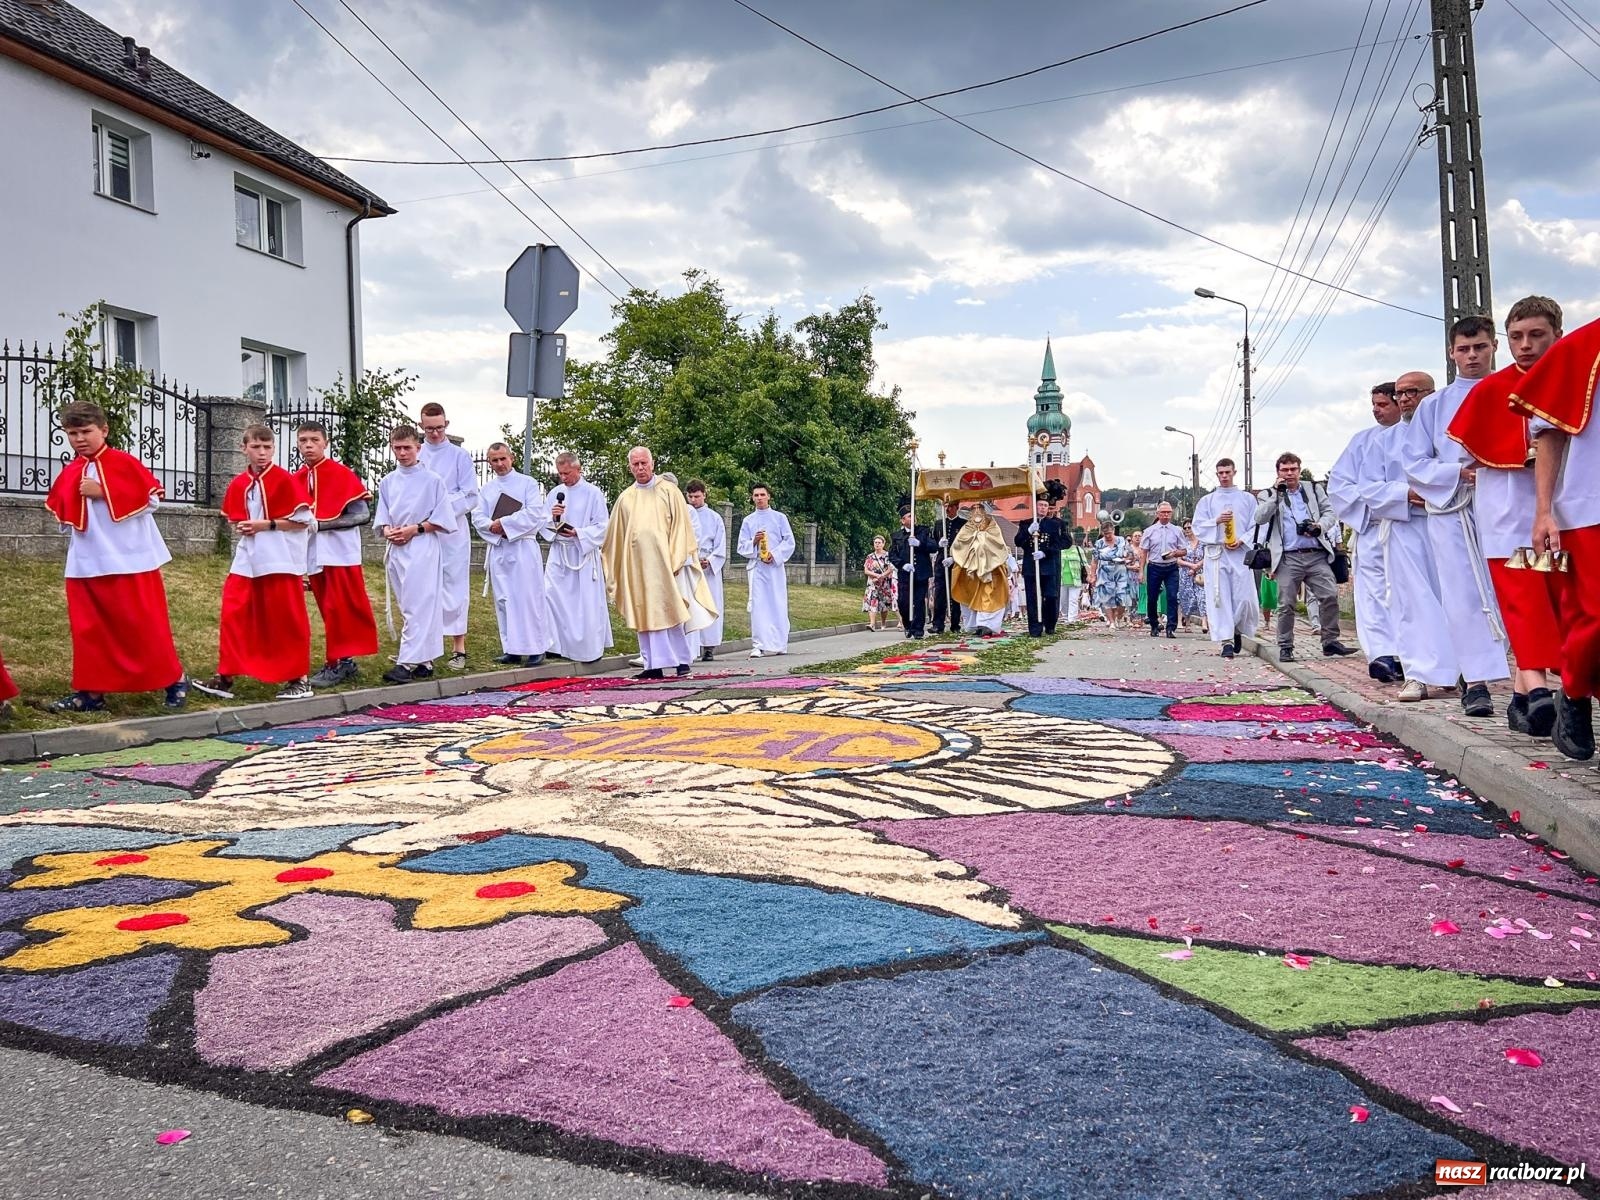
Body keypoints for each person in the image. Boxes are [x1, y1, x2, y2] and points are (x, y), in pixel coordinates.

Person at [1448, 297, 1564, 736]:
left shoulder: (1574, 382)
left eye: (1536, 335)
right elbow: (1468, 453)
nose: (1526, 346)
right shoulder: (1490, 393)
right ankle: (1535, 690)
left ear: (1557, 333)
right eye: (1517, 337)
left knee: (1553, 603)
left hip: (1561, 512)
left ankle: (1521, 698)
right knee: (1521, 601)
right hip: (1505, 513)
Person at [1400, 317, 1511, 716]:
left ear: (1494, 346)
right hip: (1455, 508)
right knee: (1462, 595)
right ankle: (1476, 682)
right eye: (1464, 349)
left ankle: (1529, 679)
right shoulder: (1436, 404)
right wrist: (1455, 474)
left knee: (1512, 588)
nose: (1472, 356)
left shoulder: (1515, 390)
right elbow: (1413, 460)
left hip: (1508, 504)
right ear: (1452, 352)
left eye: (1479, 347)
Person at [45, 401, 187, 712]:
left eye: (86, 431)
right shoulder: (71, 471)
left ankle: (174, 679)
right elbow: (64, 511)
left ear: (104, 430)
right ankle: (91, 694)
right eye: (72, 433)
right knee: (91, 631)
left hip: (130, 558)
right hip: (86, 560)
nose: (80, 438)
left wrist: (104, 491)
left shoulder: (124, 462)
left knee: (143, 625)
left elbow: (151, 501)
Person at [1519, 313, 1600, 759]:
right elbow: (1549, 435)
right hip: (1591, 504)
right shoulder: (1582, 348)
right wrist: (1543, 511)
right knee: (1593, 618)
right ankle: (1573, 693)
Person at [193, 425, 314, 701]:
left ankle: (300, 679)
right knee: (234, 613)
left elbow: (303, 522)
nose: (262, 453)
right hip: (248, 558)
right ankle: (226, 676)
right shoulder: (239, 483)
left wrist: (265, 524)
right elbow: (235, 517)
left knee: (285, 619)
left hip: (281, 559)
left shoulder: (284, 480)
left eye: (267, 447)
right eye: (256, 447)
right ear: (244, 448)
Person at [601, 446, 716, 679]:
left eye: (644, 463)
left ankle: (682, 661)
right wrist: (619, 569)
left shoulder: (669, 491)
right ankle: (652, 664)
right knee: (645, 614)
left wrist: (675, 559)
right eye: (635, 464)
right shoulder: (625, 499)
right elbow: (615, 537)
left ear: (652, 464)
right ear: (630, 467)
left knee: (669, 612)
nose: (640, 468)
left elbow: (681, 527)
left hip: (666, 565)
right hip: (638, 569)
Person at [1327, 383, 1406, 684]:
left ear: (1400, 404)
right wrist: (1376, 503)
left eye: (1383, 404)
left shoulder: (1420, 435)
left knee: (1407, 592)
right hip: (1375, 528)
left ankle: (1410, 653)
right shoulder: (1361, 441)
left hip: (1412, 527)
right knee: (1374, 594)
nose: (1376, 410)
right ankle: (1382, 654)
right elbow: (1340, 485)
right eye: (1373, 404)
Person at [294, 422, 378, 688]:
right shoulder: (297, 478)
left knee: (340, 608)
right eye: (303, 440)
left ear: (325, 443)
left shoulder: (341, 474)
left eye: (314, 440)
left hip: (340, 553)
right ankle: (342, 661)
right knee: (327, 608)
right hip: (315, 553)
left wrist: (323, 524)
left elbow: (362, 514)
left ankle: (340, 663)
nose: (308, 445)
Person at [1250, 452, 1356, 662]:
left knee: (1329, 596)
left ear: (1299, 470)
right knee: (1286, 604)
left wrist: (1319, 527)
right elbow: (1260, 517)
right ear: (1278, 472)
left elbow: (1330, 514)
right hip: (1287, 558)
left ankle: (1330, 641)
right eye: (1285, 470)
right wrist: (1277, 496)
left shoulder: (1314, 489)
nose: (1289, 474)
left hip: (1316, 554)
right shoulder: (1268, 493)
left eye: (1293, 469)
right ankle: (1286, 646)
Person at [373, 425, 456, 684]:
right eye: (397, 448)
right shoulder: (388, 481)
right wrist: (388, 530)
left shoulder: (433, 481)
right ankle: (425, 660)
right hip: (397, 546)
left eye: (407, 447)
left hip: (422, 545)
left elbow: (443, 519)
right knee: (407, 603)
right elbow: (383, 515)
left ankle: (406, 662)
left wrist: (415, 529)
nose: (402, 453)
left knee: (418, 604)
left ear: (418, 448)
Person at [471, 441, 553, 667]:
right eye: (494, 460)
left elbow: (535, 513)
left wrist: (504, 523)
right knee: (505, 599)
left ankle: (536, 648)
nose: (499, 464)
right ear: (489, 463)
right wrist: (492, 527)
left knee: (528, 598)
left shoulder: (528, 483)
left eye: (502, 459)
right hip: (499, 549)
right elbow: (478, 517)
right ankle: (512, 649)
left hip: (523, 548)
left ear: (512, 458)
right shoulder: (487, 489)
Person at [416, 402, 478, 671]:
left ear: (446, 425)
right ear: (421, 427)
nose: (435, 434)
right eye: (429, 429)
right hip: (423, 530)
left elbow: (471, 495)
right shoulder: (417, 456)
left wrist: (441, 510)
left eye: (439, 428)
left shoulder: (459, 456)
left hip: (451, 530)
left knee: (454, 586)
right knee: (425, 588)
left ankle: (458, 646)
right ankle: (425, 648)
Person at [542, 451, 613, 663]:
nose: (563, 478)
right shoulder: (555, 493)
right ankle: (554, 645)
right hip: (559, 553)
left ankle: (585, 648)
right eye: (560, 474)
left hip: (581, 552)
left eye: (567, 473)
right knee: (550, 595)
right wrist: (553, 520)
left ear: (578, 469)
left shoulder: (593, 493)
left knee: (584, 602)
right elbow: (542, 521)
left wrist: (579, 533)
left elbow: (603, 525)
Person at [1191, 458, 1258, 659]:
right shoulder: (1207, 501)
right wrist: (1216, 521)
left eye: (1227, 472)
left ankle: (1237, 629)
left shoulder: (1247, 499)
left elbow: (1257, 526)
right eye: (1220, 473)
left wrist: (1242, 540)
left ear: (1234, 472)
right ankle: (1226, 640)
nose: (1224, 476)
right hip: (1217, 554)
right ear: (1217, 474)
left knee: (1243, 597)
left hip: (1240, 554)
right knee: (1220, 597)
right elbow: (1198, 527)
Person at [737, 483, 794, 657]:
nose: (759, 498)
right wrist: (754, 542)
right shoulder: (748, 521)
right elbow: (741, 546)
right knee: (759, 606)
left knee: (777, 603)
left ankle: (779, 643)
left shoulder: (779, 518)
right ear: (752, 498)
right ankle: (758, 644)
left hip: (775, 568)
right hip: (757, 568)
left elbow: (789, 542)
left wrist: (774, 555)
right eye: (756, 495)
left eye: (762, 494)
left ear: (769, 496)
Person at [1013, 482, 1066, 637]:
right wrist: (1028, 532)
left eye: (1044, 505)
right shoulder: (1026, 523)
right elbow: (1018, 542)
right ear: (1035, 507)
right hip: (1031, 567)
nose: (1042, 508)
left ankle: (1049, 625)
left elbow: (1058, 544)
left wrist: (1045, 552)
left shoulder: (1054, 524)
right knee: (1032, 599)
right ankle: (1035, 628)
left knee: (1050, 596)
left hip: (1048, 566)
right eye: (1040, 505)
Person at [950, 505, 1010, 636]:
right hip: (971, 572)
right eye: (974, 512)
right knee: (971, 596)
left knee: (989, 596)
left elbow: (998, 543)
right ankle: (973, 624)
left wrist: (982, 539)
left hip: (991, 570)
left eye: (980, 511)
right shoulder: (966, 528)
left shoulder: (992, 526)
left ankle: (987, 625)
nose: (977, 514)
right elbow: (959, 543)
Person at [684, 480, 727, 662]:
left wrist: (709, 561)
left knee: (710, 603)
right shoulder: (684, 514)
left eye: (697, 496)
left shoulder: (714, 517)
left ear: (704, 495)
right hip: (689, 564)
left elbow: (720, 544)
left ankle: (709, 646)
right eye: (691, 496)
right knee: (692, 604)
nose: (694, 500)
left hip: (707, 566)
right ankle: (691, 645)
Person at [1140, 502, 1186, 638]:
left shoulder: (1177, 531)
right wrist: (1141, 571)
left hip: (1171, 567)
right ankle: (1154, 625)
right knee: (1152, 597)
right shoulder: (1150, 531)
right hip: (1154, 566)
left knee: (1172, 596)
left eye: (1168, 512)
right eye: (1163, 512)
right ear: (1158, 514)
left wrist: (1175, 553)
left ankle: (1171, 627)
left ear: (1171, 514)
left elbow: (1184, 550)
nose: (1166, 515)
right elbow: (1143, 552)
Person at [888, 504, 935, 638]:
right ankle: (908, 625)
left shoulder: (924, 531)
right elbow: (892, 555)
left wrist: (920, 544)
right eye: (909, 516)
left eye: (913, 515)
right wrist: (902, 565)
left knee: (919, 601)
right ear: (903, 520)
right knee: (903, 601)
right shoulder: (897, 536)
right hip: (905, 574)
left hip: (921, 572)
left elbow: (933, 546)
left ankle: (918, 629)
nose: (912, 518)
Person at [929, 499, 968, 635]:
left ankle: (955, 624)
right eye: (946, 506)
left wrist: (954, 558)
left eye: (951, 506)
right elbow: (932, 543)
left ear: (957, 507)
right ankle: (937, 624)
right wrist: (939, 544)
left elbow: (965, 545)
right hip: (941, 562)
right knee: (939, 594)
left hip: (956, 562)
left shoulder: (963, 524)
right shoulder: (940, 524)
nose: (948, 509)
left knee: (955, 594)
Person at [1091, 519, 1132, 627]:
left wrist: (1126, 559)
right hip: (1105, 571)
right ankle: (1111, 621)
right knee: (1106, 597)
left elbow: (1131, 554)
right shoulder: (1099, 543)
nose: (1108, 536)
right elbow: (1095, 561)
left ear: (1113, 531)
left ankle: (1118, 616)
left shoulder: (1121, 541)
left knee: (1122, 597)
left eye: (1109, 533)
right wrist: (1093, 575)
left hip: (1120, 570)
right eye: (1105, 534)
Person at [862, 534, 898, 631]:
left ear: (883, 544)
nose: (877, 544)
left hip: (885, 583)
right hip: (872, 583)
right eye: (875, 543)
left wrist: (881, 576)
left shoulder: (887, 555)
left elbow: (890, 569)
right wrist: (876, 575)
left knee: (884, 604)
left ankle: (883, 623)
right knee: (872, 601)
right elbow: (866, 570)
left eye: (879, 543)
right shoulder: (870, 556)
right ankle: (872, 624)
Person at [1176, 520, 1205, 631]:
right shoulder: (1182, 543)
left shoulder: (1202, 542)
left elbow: (1207, 556)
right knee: (1184, 597)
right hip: (1185, 573)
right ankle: (1186, 622)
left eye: (1189, 527)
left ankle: (1204, 622)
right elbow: (1178, 560)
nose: (1187, 530)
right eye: (1185, 528)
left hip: (1200, 573)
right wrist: (1190, 565)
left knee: (1202, 596)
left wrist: (1197, 566)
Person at [1061, 529, 1088, 624]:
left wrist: (1089, 576)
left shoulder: (1078, 550)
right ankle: (1064, 616)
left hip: (1075, 579)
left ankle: (1071, 619)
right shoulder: (1060, 550)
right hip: (1062, 579)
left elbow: (1085, 563)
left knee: (1073, 600)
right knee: (1063, 601)